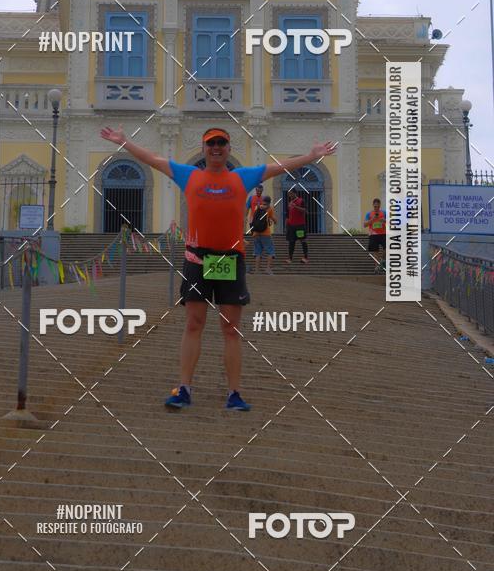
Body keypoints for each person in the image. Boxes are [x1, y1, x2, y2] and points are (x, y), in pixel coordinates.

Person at [100, 124, 337, 411]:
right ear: (203, 149)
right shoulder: (190, 175)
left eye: (221, 143)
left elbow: (279, 167)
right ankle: (184, 388)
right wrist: (125, 142)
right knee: (193, 323)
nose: (216, 148)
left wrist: (311, 157)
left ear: (228, 150)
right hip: (197, 259)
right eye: (211, 143)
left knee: (231, 329)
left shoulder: (242, 177)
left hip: (229, 259)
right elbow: (152, 159)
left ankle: (234, 393)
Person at [251, 194, 276, 275]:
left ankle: (256, 271)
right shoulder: (269, 209)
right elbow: (274, 219)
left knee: (257, 253)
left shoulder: (257, 207)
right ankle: (268, 269)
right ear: (269, 202)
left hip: (256, 234)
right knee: (270, 251)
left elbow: (252, 219)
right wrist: (274, 221)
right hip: (266, 233)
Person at [286, 190, 309, 265]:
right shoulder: (289, 203)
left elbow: (305, 211)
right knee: (291, 242)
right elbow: (287, 214)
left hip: (300, 226)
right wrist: (287, 224)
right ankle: (290, 258)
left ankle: (305, 258)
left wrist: (295, 206)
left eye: (291, 194)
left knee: (302, 241)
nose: (290, 196)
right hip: (291, 226)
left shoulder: (301, 201)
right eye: (289, 194)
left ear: (295, 193)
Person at [364, 197, 387, 272]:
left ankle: (383, 260)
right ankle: (377, 267)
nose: (376, 208)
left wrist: (384, 220)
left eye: (378, 206)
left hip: (383, 234)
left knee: (387, 249)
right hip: (373, 235)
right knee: (375, 251)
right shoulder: (369, 214)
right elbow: (365, 225)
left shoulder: (384, 213)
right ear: (373, 205)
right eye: (375, 206)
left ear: (380, 205)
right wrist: (372, 219)